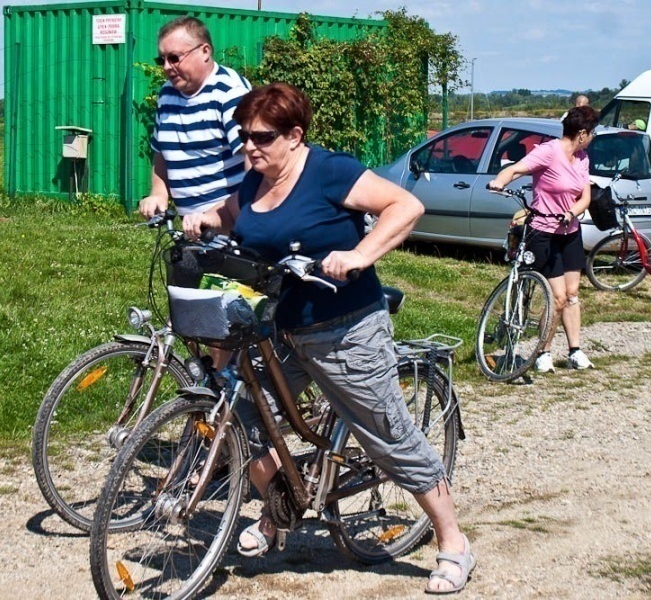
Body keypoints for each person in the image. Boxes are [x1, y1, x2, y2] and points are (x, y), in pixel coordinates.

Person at [183, 82, 475, 595]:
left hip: (347, 332)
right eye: (244, 136)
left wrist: (361, 255)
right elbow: (234, 217)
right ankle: (282, 507)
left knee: (387, 437)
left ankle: (453, 542)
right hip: (283, 332)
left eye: (263, 137)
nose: (250, 146)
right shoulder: (255, 180)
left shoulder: (328, 171)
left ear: (295, 135)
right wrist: (205, 218)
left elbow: (404, 207)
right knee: (246, 418)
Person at [487, 106, 600, 372]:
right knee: (557, 297)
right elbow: (515, 170)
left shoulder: (582, 158)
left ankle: (574, 351)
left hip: (569, 231)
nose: (592, 137)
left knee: (572, 294)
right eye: (592, 132)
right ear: (581, 133)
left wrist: (571, 212)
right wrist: (499, 182)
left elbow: (585, 197)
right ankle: (542, 352)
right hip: (543, 232)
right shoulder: (549, 151)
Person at [138, 16, 252, 219]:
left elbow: (256, 158)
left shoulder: (229, 93)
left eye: (174, 58)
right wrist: (159, 193)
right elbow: (160, 152)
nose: (166, 67)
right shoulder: (167, 94)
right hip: (192, 227)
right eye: (161, 59)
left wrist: (226, 216)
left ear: (205, 52)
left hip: (231, 226)